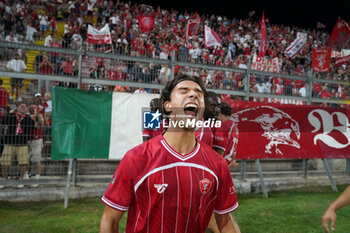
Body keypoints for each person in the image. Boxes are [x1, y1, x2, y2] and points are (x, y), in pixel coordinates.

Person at [100, 74, 240, 233]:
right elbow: (110, 219)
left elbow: (224, 219)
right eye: (184, 91)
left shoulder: (217, 163)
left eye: (198, 93)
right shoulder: (136, 158)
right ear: (168, 105)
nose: (193, 95)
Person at [1, 101, 34, 188]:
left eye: (25, 107)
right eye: (22, 106)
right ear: (17, 107)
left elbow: (33, 127)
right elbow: (3, 121)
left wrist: (33, 117)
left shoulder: (27, 118)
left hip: (22, 143)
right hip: (10, 141)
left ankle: (21, 179)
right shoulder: (11, 115)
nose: (23, 108)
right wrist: (9, 113)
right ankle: (4, 179)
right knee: (5, 162)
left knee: (23, 163)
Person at [27, 95, 45, 187]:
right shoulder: (26, 115)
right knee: (25, 160)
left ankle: (37, 178)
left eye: (34, 105)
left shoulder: (39, 114)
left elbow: (39, 125)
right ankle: (26, 176)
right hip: (27, 139)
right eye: (31, 105)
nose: (32, 107)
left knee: (36, 159)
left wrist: (36, 116)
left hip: (37, 139)